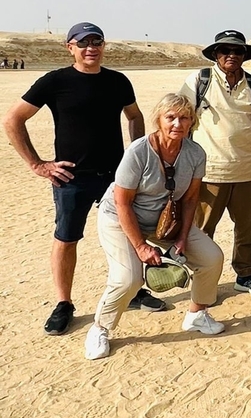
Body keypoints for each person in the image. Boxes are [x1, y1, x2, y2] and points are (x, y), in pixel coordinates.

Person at [3, 22, 153, 336]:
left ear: (103, 46)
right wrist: (38, 164)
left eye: (96, 41)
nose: (90, 48)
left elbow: (135, 116)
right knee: (66, 239)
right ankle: (64, 303)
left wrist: (135, 156)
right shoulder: (55, 81)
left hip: (116, 176)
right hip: (72, 178)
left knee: (128, 232)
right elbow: (14, 119)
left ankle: (134, 290)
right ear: (70, 47)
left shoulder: (117, 81)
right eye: (83, 42)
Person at [84, 94, 226, 359]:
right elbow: (122, 202)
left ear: (192, 122)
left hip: (166, 221)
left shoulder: (195, 153)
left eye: (184, 118)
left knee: (211, 258)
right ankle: (100, 328)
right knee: (128, 278)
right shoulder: (138, 152)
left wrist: (182, 237)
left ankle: (197, 313)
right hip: (121, 218)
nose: (177, 124)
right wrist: (140, 246)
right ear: (158, 120)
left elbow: (191, 198)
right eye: (170, 117)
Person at [179, 30, 251, 297]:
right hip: (208, 171)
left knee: (246, 227)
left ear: (245, 55)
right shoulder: (199, 81)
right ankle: (201, 279)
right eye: (225, 51)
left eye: (237, 51)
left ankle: (246, 275)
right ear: (216, 54)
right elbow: (179, 119)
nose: (231, 55)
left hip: (245, 170)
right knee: (201, 230)